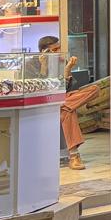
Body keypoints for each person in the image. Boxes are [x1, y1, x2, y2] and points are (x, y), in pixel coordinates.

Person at [32, 36, 84, 169]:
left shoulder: (62, 61)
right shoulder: (31, 63)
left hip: (62, 99)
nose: (58, 51)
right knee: (68, 111)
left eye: (59, 48)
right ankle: (74, 155)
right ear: (44, 51)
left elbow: (68, 88)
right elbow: (37, 88)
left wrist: (67, 70)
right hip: (44, 101)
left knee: (94, 90)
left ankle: (64, 105)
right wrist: (44, 67)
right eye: (55, 49)